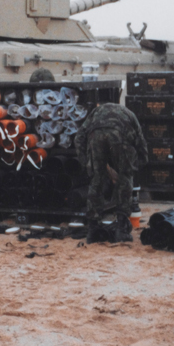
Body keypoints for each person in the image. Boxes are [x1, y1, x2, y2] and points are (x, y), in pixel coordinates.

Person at [74, 101, 148, 244]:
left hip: (96, 136)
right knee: (125, 178)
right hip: (121, 135)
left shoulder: (94, 113)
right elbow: (140, 141)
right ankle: (121, 229)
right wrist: (139, 164)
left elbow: (79, 138)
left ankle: (93, 231)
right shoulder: (129, 114)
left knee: (97, 180)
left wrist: (87, 164)